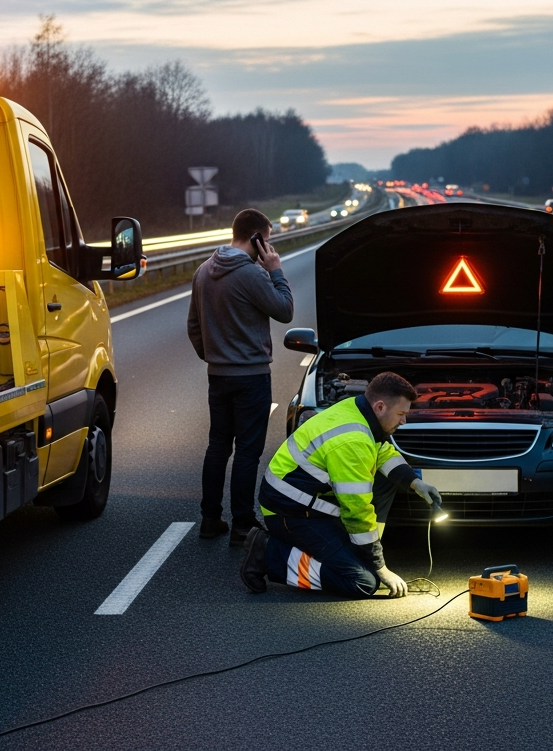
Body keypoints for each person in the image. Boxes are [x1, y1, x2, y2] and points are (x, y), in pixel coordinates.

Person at [239, 372, 443, 598]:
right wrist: (379, 567)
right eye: (401, 414)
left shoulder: (357, 408)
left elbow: (382, 451)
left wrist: (415, 483)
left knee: (387, 480)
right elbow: (356, 510)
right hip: (288, 512)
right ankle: (268, 552)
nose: (404, 421)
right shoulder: (353, 440)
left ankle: (364, 549)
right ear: (380, 407)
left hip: (301, 497)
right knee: (363, 582)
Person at [188, 209, 295, 545]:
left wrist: (214, 357)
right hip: (251, 377)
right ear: (257, 238)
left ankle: (210, 519)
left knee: (218, 447)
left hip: (218, 376)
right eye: (269, 238)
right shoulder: (251, 275)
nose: (270, 246)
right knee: (248, 452)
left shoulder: (203, 271)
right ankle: (242, 525)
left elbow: (193, 327)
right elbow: (284, 309)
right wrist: (275, 271)